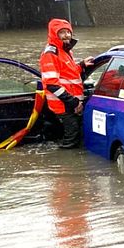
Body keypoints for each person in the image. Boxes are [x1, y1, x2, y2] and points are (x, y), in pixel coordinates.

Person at [40, 18, 94, 149]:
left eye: (68, 32)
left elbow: (68, 73)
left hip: (70, 103)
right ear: (54, 34)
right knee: (72, 141)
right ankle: (66, 166)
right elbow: (52, 84)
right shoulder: (50, 54)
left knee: (75, 137)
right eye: (62, 32)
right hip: (64, 105)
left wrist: (81, 65)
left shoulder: (65, 51)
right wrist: (74, 103)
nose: (67, 35)